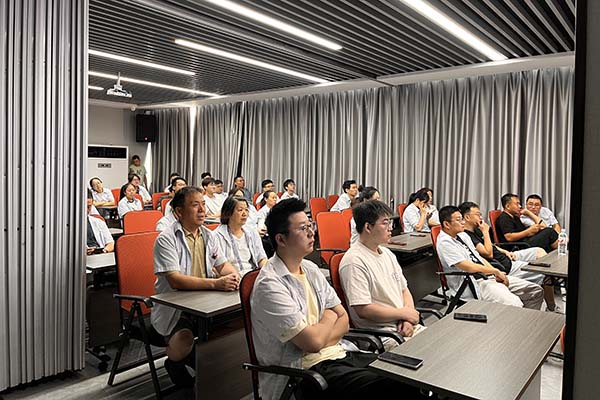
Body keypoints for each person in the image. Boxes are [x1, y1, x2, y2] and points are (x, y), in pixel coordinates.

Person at [250, 198, 428, 400]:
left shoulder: (310, 268)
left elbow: (342, 320)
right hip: (306, 371)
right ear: (281, 239)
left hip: (341, 352)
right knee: (396, 385)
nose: (312, 233)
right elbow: (313, 342)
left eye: (310, 225)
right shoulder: (269, 284)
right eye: (303, 228)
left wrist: (322, 333)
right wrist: (329, 317)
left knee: (406, 373)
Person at [152, 186, 240, 387]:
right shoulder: (166, 238)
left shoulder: (208, 235)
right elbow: (175, 280)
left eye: (203, 204)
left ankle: (216, 372)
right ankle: (180, 365)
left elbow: (222, 265)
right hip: (177, 307)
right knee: (182, 342)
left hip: (205, 302)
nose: (202, 210)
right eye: (195, 205)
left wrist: (234, 275)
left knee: (235, 324)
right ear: (179, 211)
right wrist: (216, 284)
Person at [340, 200, 423, 350]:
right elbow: (363, 309)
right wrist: (403, 314)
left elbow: (404, 290)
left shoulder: (387, 253)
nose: (391, 228)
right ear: (368, 227)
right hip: (383, 335)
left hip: (403, 324)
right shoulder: (354, 261)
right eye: (385, 223)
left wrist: (408, 319)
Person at [436, 205, 543, 309]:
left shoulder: (462, 235)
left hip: (487, 276)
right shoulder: (445, 243)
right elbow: (469, 267)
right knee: (515, 304)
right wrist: (495, 271)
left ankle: (524, 320)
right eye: (459, 220)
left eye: (462, 219)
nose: (463, 222)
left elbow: (479, 258)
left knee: (535, 291)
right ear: (447, 224)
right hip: (473, 282)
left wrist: (495, 272)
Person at [459, 201, 557, 311]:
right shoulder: (467, 236)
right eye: (478, 214)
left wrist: (504, 251)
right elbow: (488, 254)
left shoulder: (477, 230)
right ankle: (551, 308)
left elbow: (491, 246)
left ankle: (548, 306)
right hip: (504, 267)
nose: (481, 217)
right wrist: (486, 232)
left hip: (506, 258)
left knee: (540, 253)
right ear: (467, 217)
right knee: (545, 274)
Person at [214, 196, 268, 276]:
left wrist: (267, 273)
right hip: (231, 277)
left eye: (246, 210)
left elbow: (261, 258)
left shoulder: (252, 232)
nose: (244, 214)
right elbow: (218, 266)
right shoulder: (217, 235)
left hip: (252, 275)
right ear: (229, 213)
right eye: (240, 210)